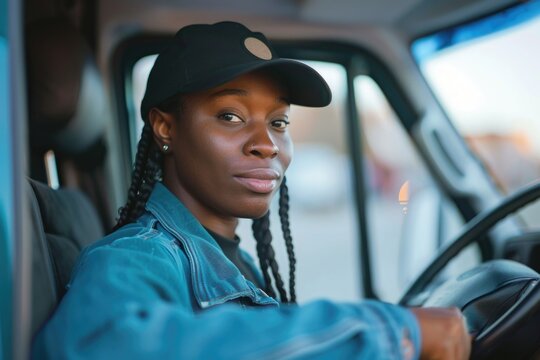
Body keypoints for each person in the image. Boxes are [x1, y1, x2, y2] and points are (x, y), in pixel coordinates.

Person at [32, 21, 471, 359]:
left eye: (278, 122)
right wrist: (395, 330)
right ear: (166, 128)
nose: (267, 144)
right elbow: (99, 348)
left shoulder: (235, 261)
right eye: (230, 116)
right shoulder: (137, 255)